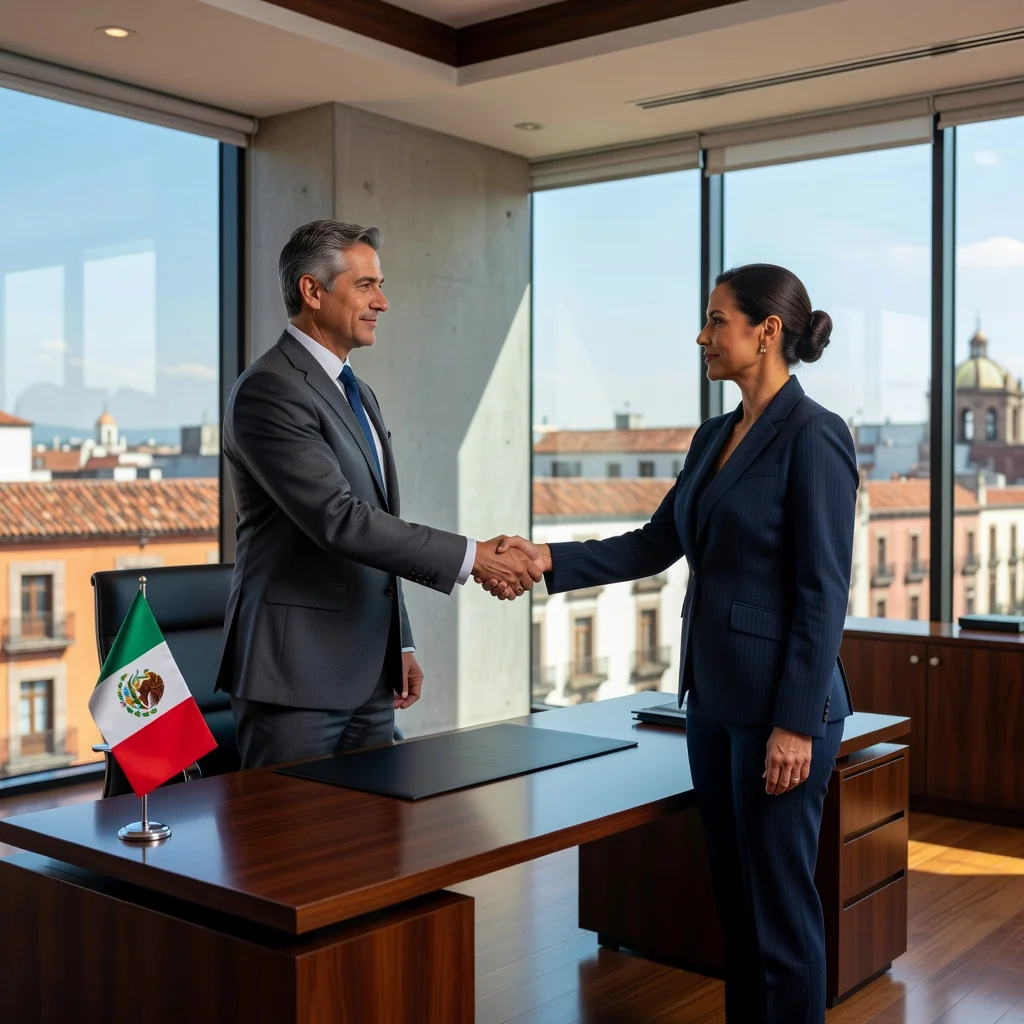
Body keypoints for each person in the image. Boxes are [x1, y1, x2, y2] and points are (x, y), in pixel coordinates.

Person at [486, 264, 858, 1024]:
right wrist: (547, 558)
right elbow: (657, 541)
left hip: (781, 713)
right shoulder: (715, 435)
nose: (702, 336)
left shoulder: (815, 434)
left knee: (781, 914)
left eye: (717, 320)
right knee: (738, 906)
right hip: (713, 702)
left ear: (767, 331)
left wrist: (795, 723)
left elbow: (823, 592)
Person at [216, 219, 539, 769]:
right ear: (312, 291)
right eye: (365, 285)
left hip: (369, 673)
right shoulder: (269, 389)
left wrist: (401, 641)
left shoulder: (357, 391)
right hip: (295, 675)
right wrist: (474, 557)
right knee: (294, 827)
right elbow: (340, 520)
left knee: (376, 823)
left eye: (380, 285)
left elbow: (379, 521)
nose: (382, 302)